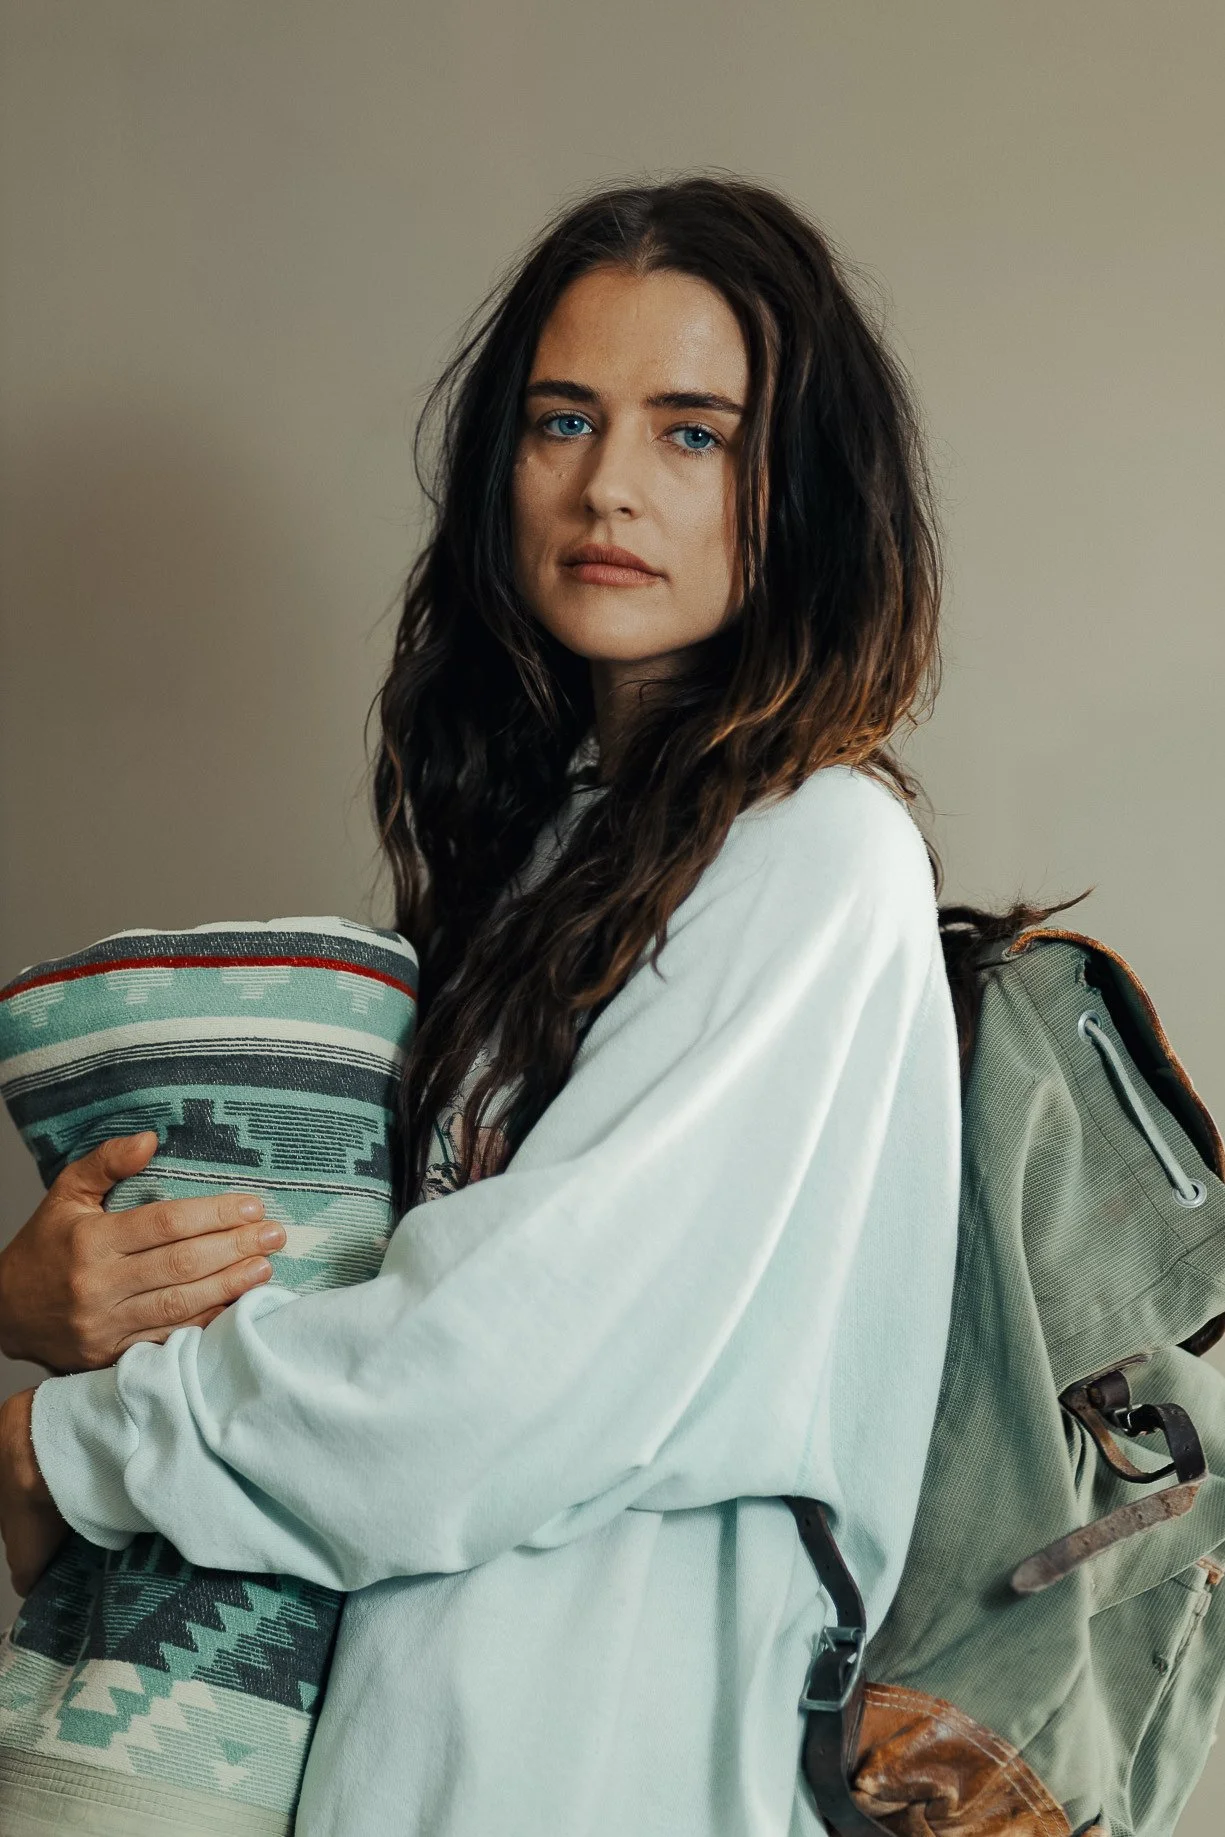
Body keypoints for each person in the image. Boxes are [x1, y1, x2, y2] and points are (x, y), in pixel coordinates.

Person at [0, 175, 962, 1836]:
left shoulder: (818, 854)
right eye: (562, 420)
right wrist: (65, 1295)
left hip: (612, 1777)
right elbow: (373, 1288)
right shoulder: (550, 852)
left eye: (695, 434)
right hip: (398, 1767)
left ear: (802, 486)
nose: (607, 486)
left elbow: (487, 1382)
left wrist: (66, 1446)